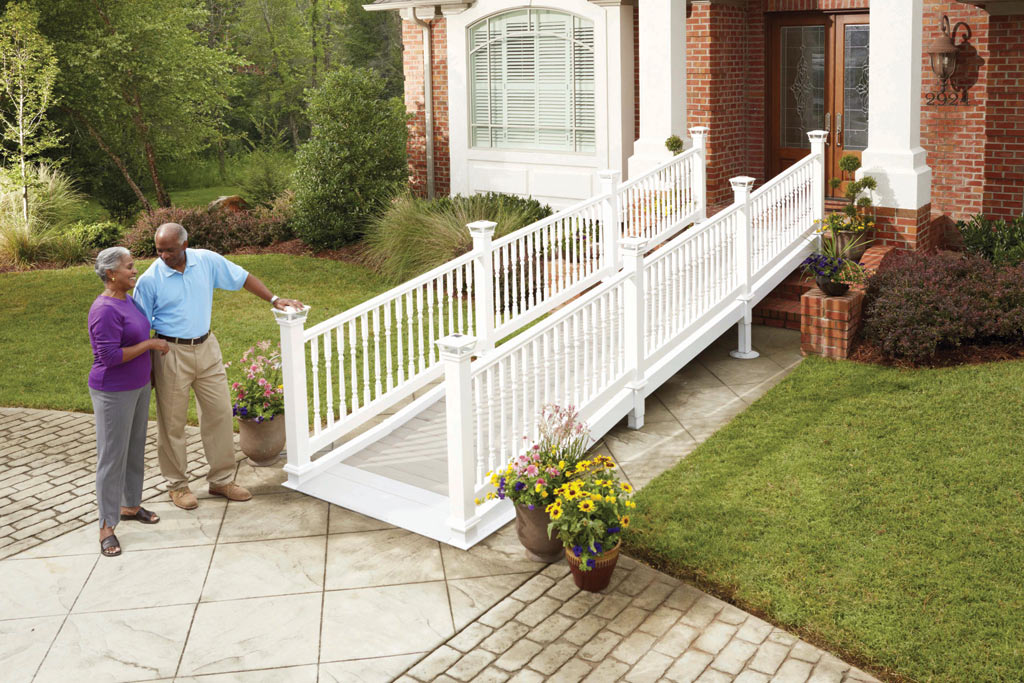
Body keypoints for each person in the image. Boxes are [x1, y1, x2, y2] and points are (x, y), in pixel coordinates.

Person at [133, 223, 303, 510]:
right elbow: (138, 327)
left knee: (220, 414)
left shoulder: (206, 261)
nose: (162, 255)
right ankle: (177, 485)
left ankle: (222, 479)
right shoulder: (150, 280)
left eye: (169, 250)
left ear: (185, 245)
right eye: (158, 250)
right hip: (169, 352)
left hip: (207, 346)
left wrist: (274, 299)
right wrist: (146, 367)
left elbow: (243, 277)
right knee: (172, 423)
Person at [88, 247, 168, 557]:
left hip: (137, 386)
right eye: (129, 267)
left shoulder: (127, 299)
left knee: (134, 451)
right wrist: (149, 343)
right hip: (113, 392)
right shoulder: (104, 309)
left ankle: (130, 506)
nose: (135, 271)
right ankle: (106, 526)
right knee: (111, 458)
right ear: (111, 274)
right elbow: (108, 357)